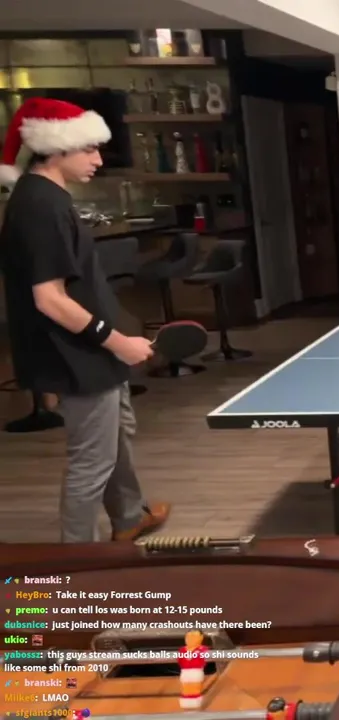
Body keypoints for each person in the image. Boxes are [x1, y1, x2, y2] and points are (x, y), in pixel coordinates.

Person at [0, 97, 169, 543]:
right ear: (55, 148)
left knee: (117, 436)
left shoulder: (48, 197)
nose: (98, 160)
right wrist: (120, 343)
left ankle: (129, 518)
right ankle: (76, 560)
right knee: (91, 462)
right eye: (89, 149)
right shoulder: (41, 206)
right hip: (77, 355)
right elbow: (50, 300)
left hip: (91, 349)